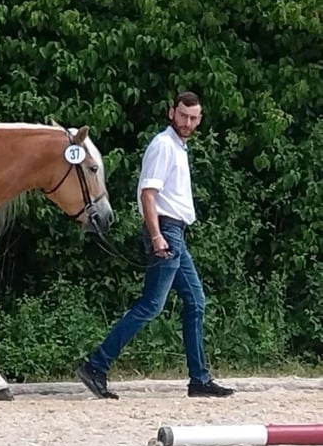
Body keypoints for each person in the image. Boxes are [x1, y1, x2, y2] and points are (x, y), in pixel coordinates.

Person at [76, 90, 234, 399]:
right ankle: (96, 365)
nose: (188, 122)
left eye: (194, 118)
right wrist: (156, 235)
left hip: (175, 232)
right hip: (165, 230)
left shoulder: (178, 147)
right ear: (171, 112)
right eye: (184, 116)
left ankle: (199, 379)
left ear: (199, 119)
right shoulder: (163, 146)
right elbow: (148, 194)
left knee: (195, 302)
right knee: (150, 305)